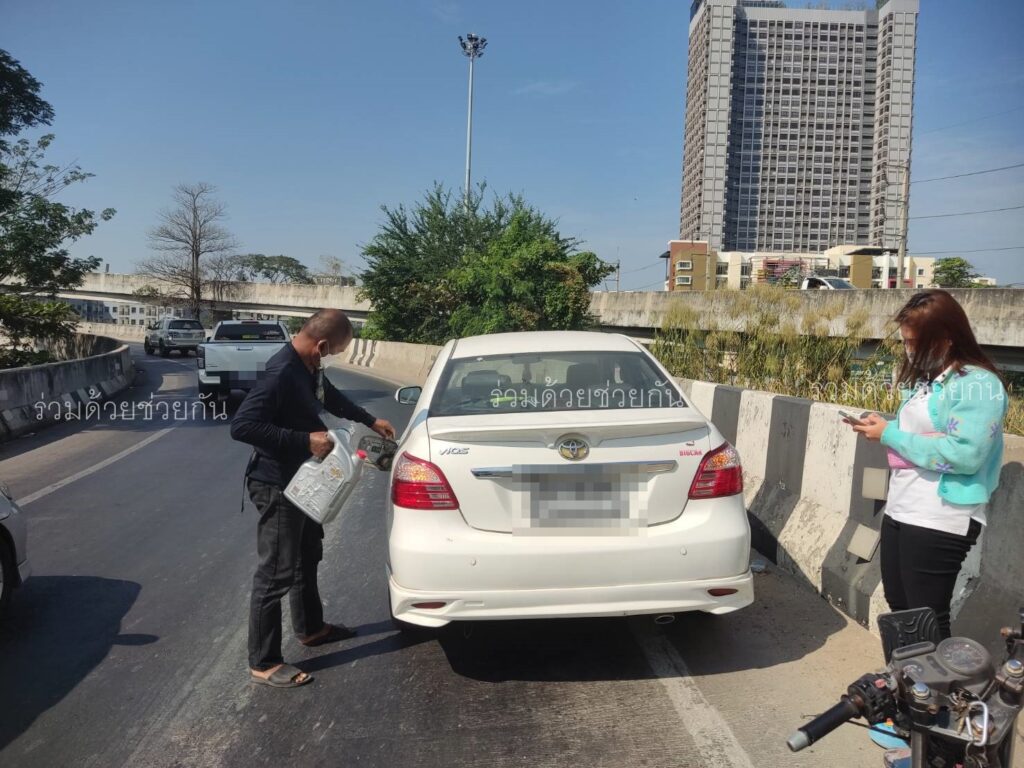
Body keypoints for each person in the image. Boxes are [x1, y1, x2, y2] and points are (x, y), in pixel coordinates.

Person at [231, 309, 395, 688]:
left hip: (302, 482)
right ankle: (264, 662)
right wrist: (304, 440)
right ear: (320, 346)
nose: (331, 358)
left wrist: (369, 420)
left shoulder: (308, 367)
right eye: (333, 351)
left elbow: (328, 395)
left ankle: (311, 628)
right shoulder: (281, 373)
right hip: (275, 485)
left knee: (307, 555)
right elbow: (242, 426)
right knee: (276, 572)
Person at [850, 290, 1007, 640]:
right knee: (901, 609)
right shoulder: (931, 381)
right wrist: (887, 428)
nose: (909, 350)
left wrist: (890, 434)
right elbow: (924, 434)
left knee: (927, 616)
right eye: (906, 341)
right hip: (902, 508)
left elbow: (964, 454)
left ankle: (934, 677)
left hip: (941, 515)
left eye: (915, 342)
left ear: (946, 337)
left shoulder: (980, 385)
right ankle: (906, 675)